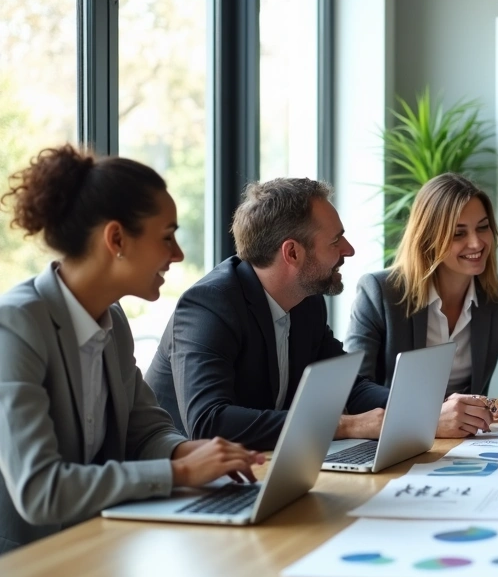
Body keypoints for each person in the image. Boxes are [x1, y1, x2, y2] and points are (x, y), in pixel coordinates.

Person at [0, 145, 263, 555]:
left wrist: (187, 450)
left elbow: (146, 430)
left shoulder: (113, 320)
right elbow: (40, 490)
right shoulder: (15, 326)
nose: (178, 254)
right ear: (116, 238)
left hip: (100, 543)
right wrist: (178, 471)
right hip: (29, 559)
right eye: (167, 237)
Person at [146, 178, 388, 451]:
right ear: (292, 252)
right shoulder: (209, 305)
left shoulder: (306, 301)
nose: (349, 249)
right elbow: (209, 422)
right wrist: (344, 425)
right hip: (189, 481)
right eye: (335, 241)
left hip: (264, 466)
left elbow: (348, 386)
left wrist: (425, 410)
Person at [346, 174, 498, 438]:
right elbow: (355, 389)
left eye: (482, 227)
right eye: (459, 233)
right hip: (399, 440)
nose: (476, 243)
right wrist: (432, 413)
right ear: (428, 238)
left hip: (469, 443)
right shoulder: (380, 291)